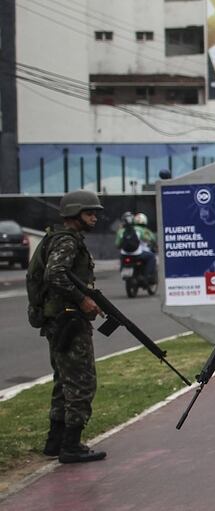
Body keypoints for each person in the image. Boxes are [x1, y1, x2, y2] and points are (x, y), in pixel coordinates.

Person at [37, 190, 107, 463]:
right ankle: (71, 445)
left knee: (63, 382)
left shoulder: (60, 239)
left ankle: (55, 441)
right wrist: (83, 300)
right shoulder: (67, 242)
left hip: (60, 320)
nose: (94, 218)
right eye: (90, 213)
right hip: (69, 320)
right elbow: (54, 274)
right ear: (75, 214)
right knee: (82, 382)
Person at [116, 212, 158, 284]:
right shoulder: (142, 230)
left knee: (121, 257)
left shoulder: (121, 231)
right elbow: (151, 239)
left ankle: (122, 271)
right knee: (152, 257)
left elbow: (117, 245)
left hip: (124, 254)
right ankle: (146, 276)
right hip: (137, 254)